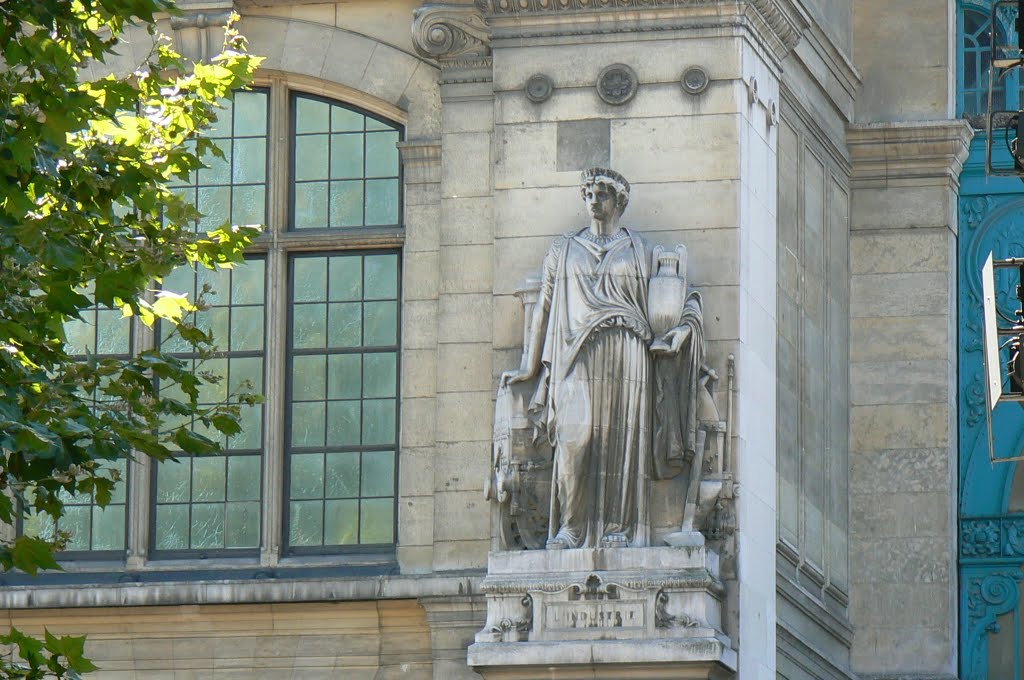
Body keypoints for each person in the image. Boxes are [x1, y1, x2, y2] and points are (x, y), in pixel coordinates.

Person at [501, 168, 704, 549]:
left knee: (621, 442)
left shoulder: (641, 250)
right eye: (589, 194)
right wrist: (529, 366)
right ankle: (571, 528)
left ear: (619, 202)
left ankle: (617, 529)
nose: (594, 201)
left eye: (603, 194)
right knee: (574, 439)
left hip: (627, 350)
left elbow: (679, 299)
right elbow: (542, 310)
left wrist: (680, 331)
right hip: (574, 352)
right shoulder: (562, 250)